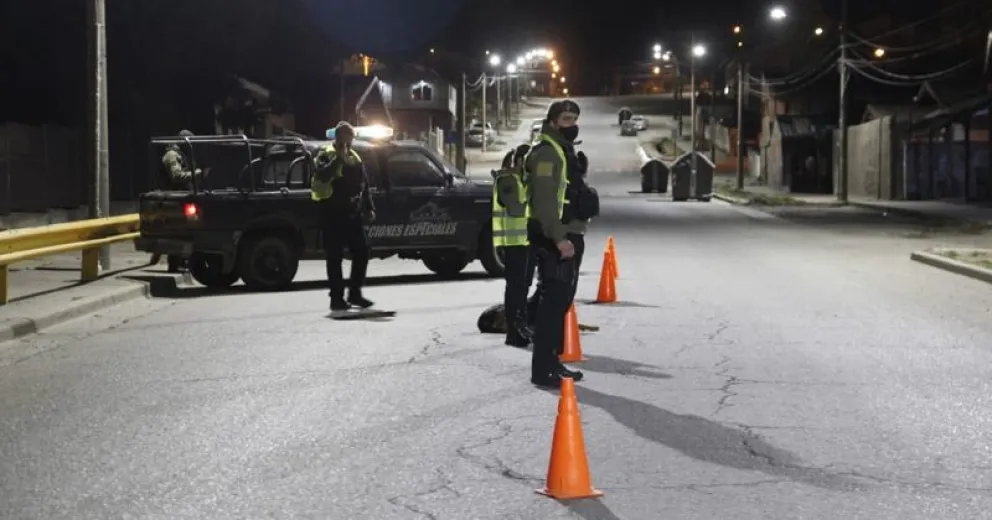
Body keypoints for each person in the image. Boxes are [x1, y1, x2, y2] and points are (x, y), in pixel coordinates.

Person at [524, 99, 593, 388]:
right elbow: (544, 202)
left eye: (574, 119)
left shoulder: (563, 150)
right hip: (555, 236)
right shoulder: (547, 152)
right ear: (553, 121)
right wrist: (559, 239)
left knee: (559, 302)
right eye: (566, 119)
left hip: (568, 233)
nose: (572, 124)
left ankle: (551, 363)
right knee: (553, 304)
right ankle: (544, 369)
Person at [312, 121, 376, 311]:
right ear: (338, 137)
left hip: (352, 213)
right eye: (346, 139)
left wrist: (369, 207)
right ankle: (336, 298)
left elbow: (364, 184)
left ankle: (355, 293)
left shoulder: (354, 156)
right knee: (335, 257)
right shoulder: (325, 154)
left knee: (362, 251)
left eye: (351, 140)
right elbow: (322, 175)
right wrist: (339, 158)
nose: (349, 143)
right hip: (332, 213)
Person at [493, 144, 536, 348]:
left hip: (524, 241)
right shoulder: (507, 180)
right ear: (519, 161)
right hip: (512, 243)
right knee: (515, 288)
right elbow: (516, 209)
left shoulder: (520, 180)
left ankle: (522, 326)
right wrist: (536, 199)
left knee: (523, 287)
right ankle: (513, 331)